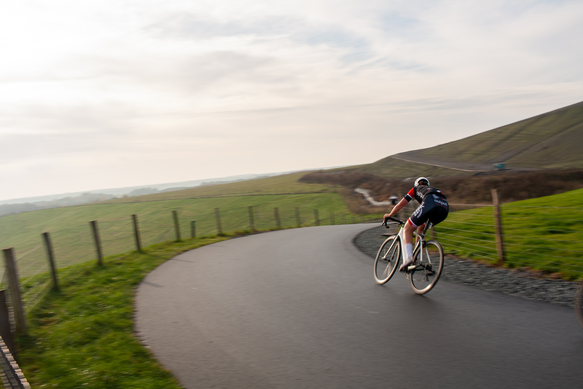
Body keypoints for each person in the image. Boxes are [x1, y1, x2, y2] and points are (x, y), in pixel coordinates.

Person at [383, 177, 449, 271]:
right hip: (444, 209)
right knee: (421, 228)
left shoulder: (415, 189)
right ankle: (416, 257)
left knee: (407, 229)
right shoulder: (432, 190)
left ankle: (409, 258)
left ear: (416, 184)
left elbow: (400, 205)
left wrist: (390, 214)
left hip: (430, 204)